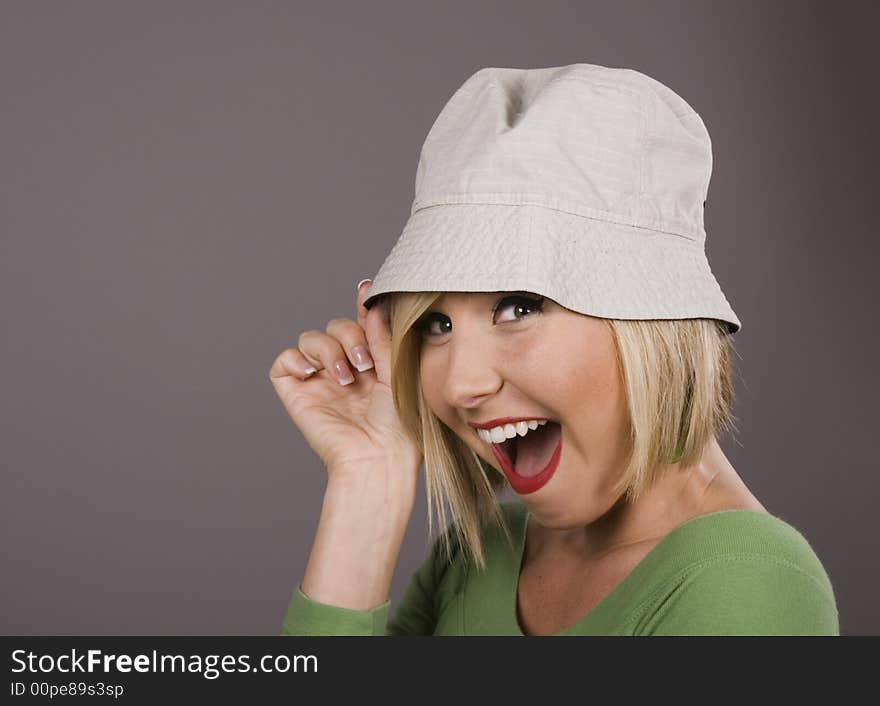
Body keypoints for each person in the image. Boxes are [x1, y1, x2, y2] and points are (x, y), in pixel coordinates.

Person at [268, 63, 840, 635]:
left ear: (653, 316)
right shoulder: (477, 555)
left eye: (518, 306)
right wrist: (369, 474)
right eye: (436, 325)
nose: (461, 384)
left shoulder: (748, 582)